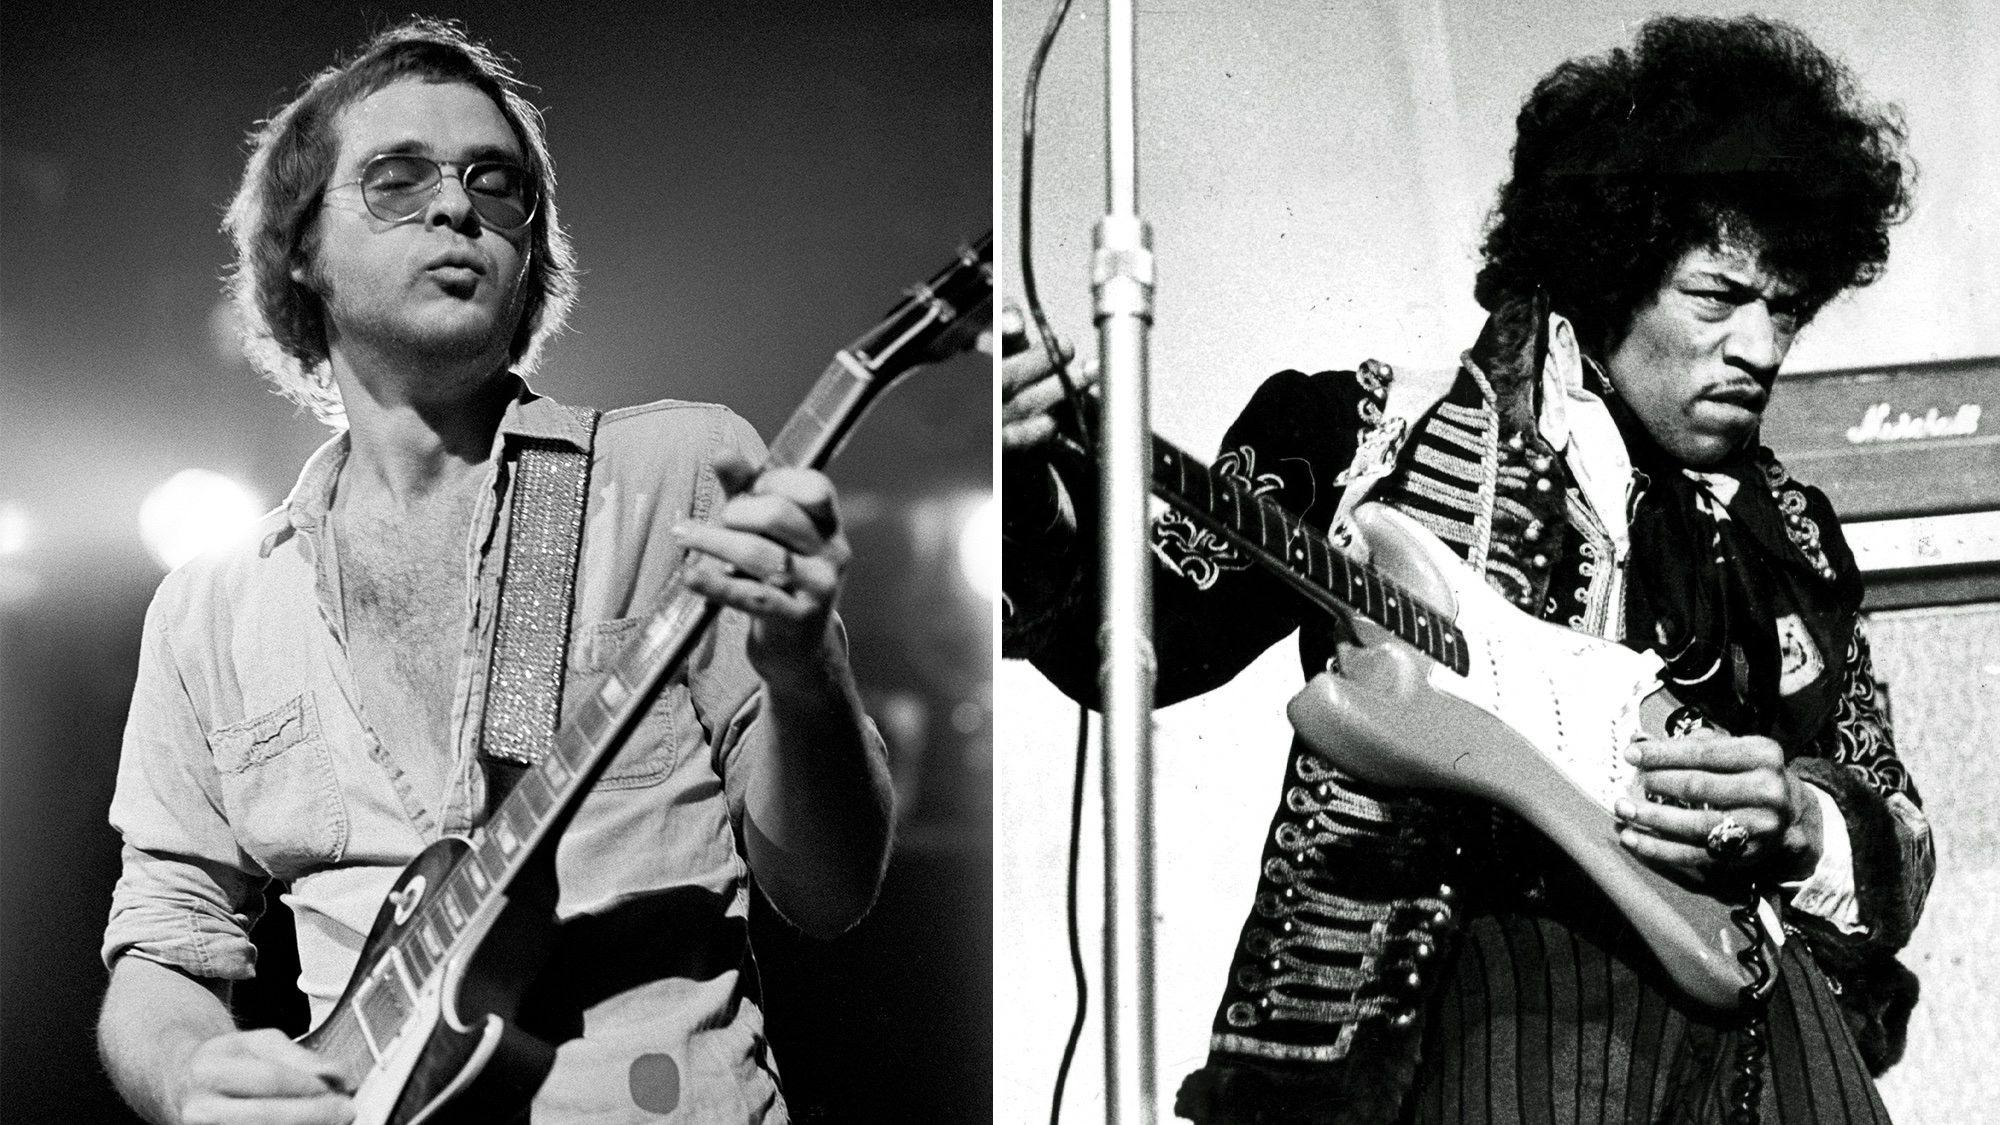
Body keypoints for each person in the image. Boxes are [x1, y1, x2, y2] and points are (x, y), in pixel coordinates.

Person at [1003, 15, 1932, 1125]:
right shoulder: (1368, 438)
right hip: (1480, 1022)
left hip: (1766, 1032)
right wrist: (1030, 490)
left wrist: (1802, 820)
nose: (1762, 348)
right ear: (1614, 272)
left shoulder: (1794, 535)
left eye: (1784, 308)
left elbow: (1898, 828)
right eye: (1717, 297)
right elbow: (1129, 642)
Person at [96, 19, 894, 1125]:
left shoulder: (674, 474)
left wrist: (806, 676)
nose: (457, 208)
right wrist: (190, 1074)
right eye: (397, 179)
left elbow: (829, 890)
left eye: (495, 182)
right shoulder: (211, 606)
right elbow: (165, 941)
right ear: (300, 250)